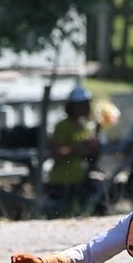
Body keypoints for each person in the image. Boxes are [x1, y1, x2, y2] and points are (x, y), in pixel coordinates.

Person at [46, 86, 103, 216]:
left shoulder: (84, 127)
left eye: (86, 104)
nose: (85, 107)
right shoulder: (62, 126)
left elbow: (92, 160)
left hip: (80, 180)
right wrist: (80, 145)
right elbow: (58, 153)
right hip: (62, 181)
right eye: (81, 104)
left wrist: (95, 143)